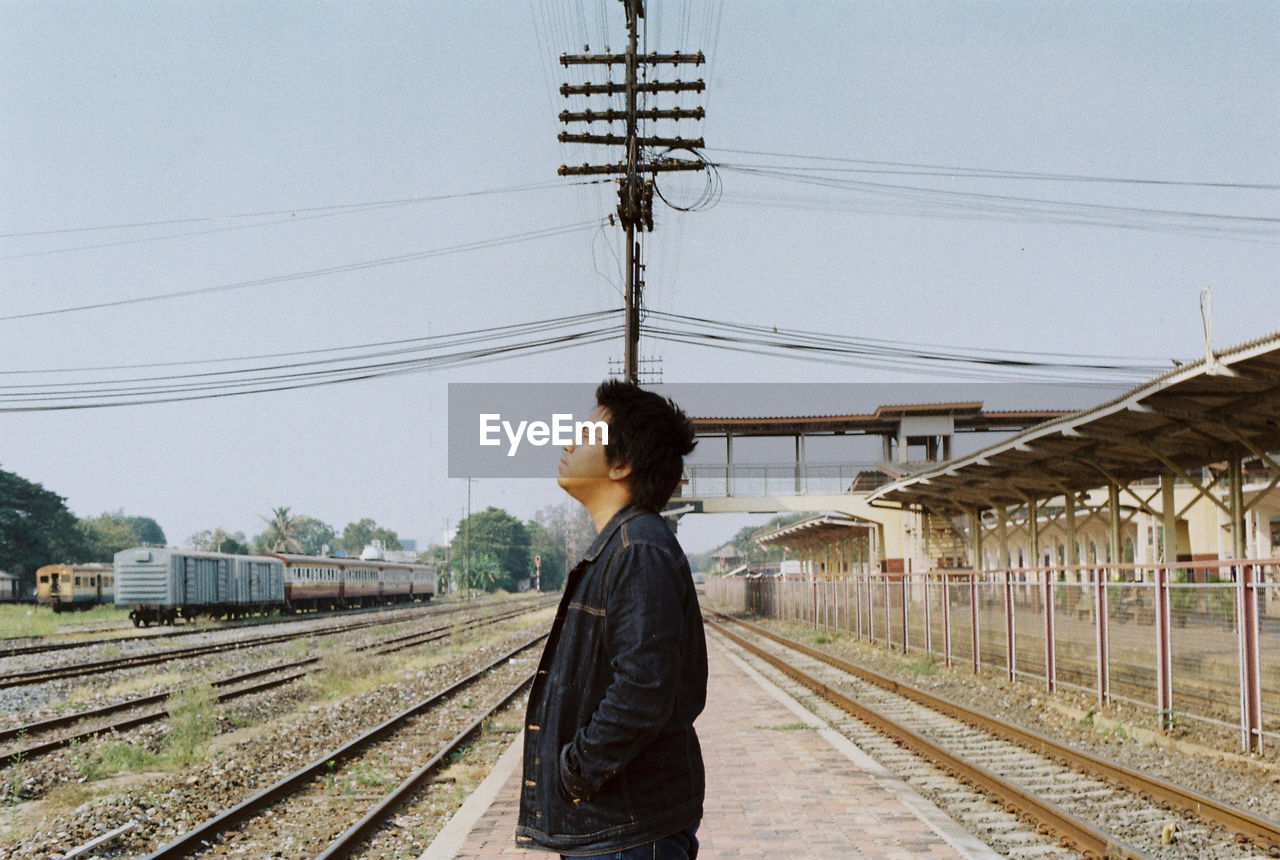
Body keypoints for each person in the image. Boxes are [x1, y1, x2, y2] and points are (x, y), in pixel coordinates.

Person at [516, 380, 706, 859]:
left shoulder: (637, 548)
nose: (568, 444)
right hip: (619, 828)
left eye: (584, 435)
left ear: (621, 464)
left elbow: (642, 691)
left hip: (627, 834)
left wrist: (574, 773)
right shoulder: (625, 545)